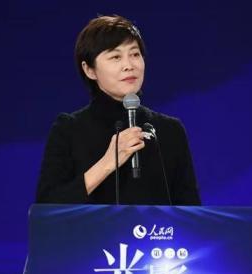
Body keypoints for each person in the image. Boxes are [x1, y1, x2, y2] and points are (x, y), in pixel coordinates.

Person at [35, 15, 200, 205]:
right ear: (89, 70)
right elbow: (47, 208)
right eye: (115, 57)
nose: (129, 66)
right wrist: (107, 162)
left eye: (135, 54)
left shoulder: (170, 130)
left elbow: (191, 213)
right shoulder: (69, 129)